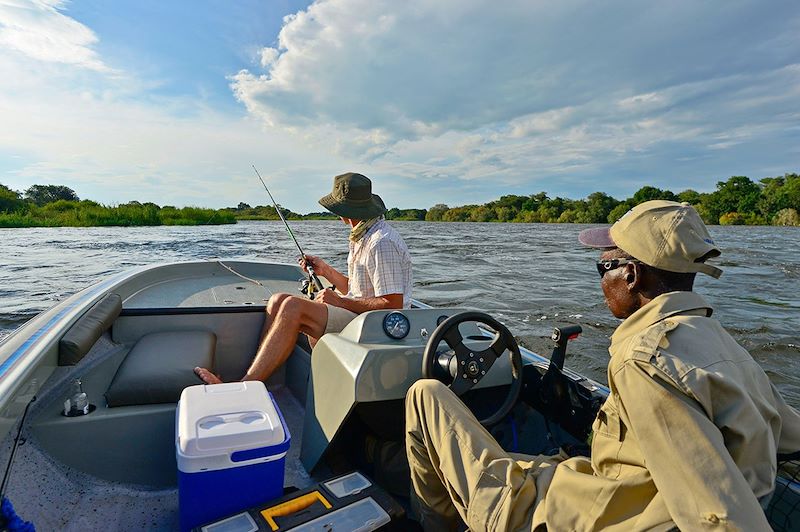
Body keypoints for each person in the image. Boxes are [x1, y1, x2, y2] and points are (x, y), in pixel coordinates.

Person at [405, 200, 800, 531]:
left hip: (586, 517)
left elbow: (719, 515)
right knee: (538, 461)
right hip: (605, 486)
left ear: (631, 274)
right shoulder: (722, 343)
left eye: (603, 267)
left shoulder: (643, 360)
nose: (601, 280)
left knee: (426, 395)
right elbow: (786, 434)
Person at [195, 172, 412, 384]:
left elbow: (393, 304)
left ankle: (246, 384)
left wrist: (340, 302)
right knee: (278, 300)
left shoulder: (381, 242)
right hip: (360, 316)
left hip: (375, 327)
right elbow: (358, 290)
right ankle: (261, 378)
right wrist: (325, 270)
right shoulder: (361, 236)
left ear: (347, 210)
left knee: (292, 307)